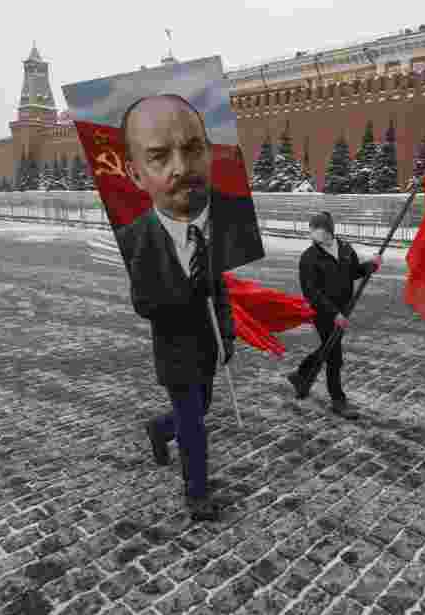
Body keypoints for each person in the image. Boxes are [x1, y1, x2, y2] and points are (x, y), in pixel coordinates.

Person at [115, 94, 257, 521]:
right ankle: (196, 495)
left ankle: (159, 430)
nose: (181, 168)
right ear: (135, 173)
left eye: (192, 149)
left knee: (198, 412)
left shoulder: (224, 229)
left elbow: (222, 292)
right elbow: (145, 303)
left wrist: (227, 335)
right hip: (175, 354)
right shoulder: (135, 241)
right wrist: (188, 291)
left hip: (208, 348)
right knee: (195, 426)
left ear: (208, 154)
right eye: (159, 156)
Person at [287, 211, 381, 419]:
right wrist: (333, 314)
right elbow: (311, 292)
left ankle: (301, 375)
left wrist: (370, 266)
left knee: (328, 348)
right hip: (323, 312)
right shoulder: (309, 258)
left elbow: (354, 272)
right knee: (334, 356)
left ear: (329, 230)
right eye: (312, 230)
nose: (315, 235)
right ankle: (338, 401)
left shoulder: (346, 249)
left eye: (318, 230)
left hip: (343, 309)